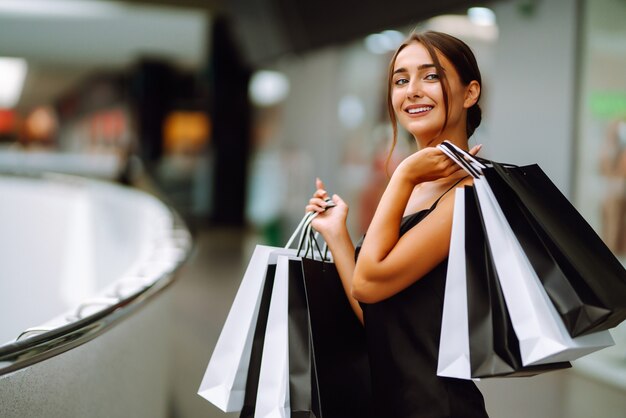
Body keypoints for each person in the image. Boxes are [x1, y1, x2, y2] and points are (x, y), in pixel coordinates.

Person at [305, 31, 489, 418]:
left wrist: (403, 174)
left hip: (436, 406)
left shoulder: (467, 194)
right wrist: (338, 232)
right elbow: (379, 314)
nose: (412, 91)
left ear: (470, 93)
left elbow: (368, 284)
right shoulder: (423, 187)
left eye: (431, 76)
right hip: (393, 401)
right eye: (401, 80)